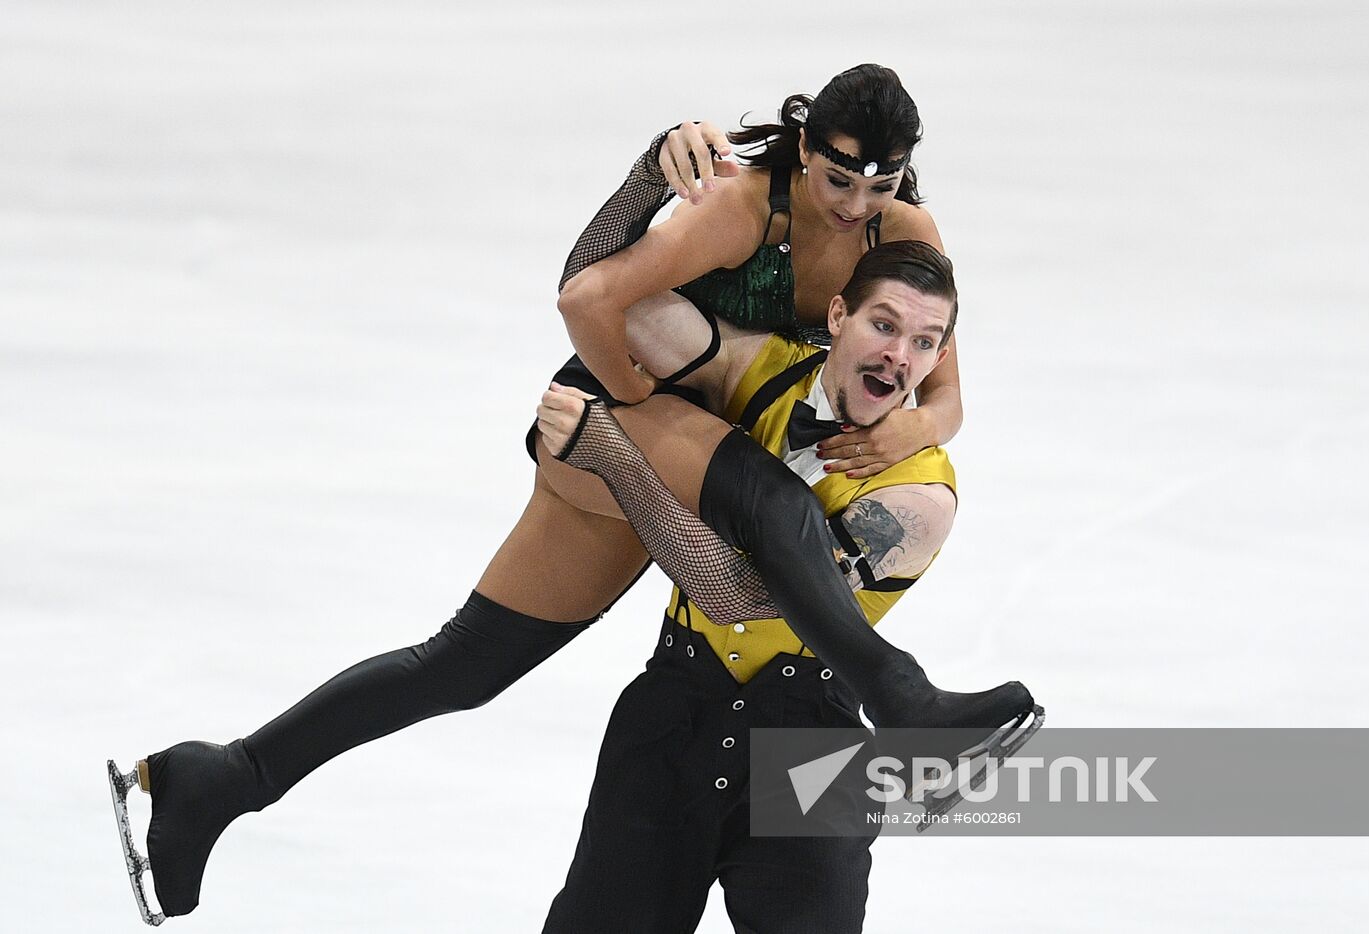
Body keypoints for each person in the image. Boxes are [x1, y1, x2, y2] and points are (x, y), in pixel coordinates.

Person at [107, 65, 1025, 925]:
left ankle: (222, 778)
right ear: (804, 146)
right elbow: (586, 300)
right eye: (839, 181)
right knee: (766, 514)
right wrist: (627, 423)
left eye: (882, 185)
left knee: (463, 665)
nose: (859, 205)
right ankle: (904, 701)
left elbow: (946, 397)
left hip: (703, 422)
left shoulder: (905, 234)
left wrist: (896, 434)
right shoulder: (743, 206)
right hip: (630, 403)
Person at [531, 239, 1040, 932]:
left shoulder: (919, 500)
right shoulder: (757, 369)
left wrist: (617, 459)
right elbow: (600, 294)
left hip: (811, 754)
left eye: (923, 341)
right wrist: (671, 182)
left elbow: (737, 594)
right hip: (670, 716)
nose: (898, 356)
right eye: (884, 325)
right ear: (837, 315)